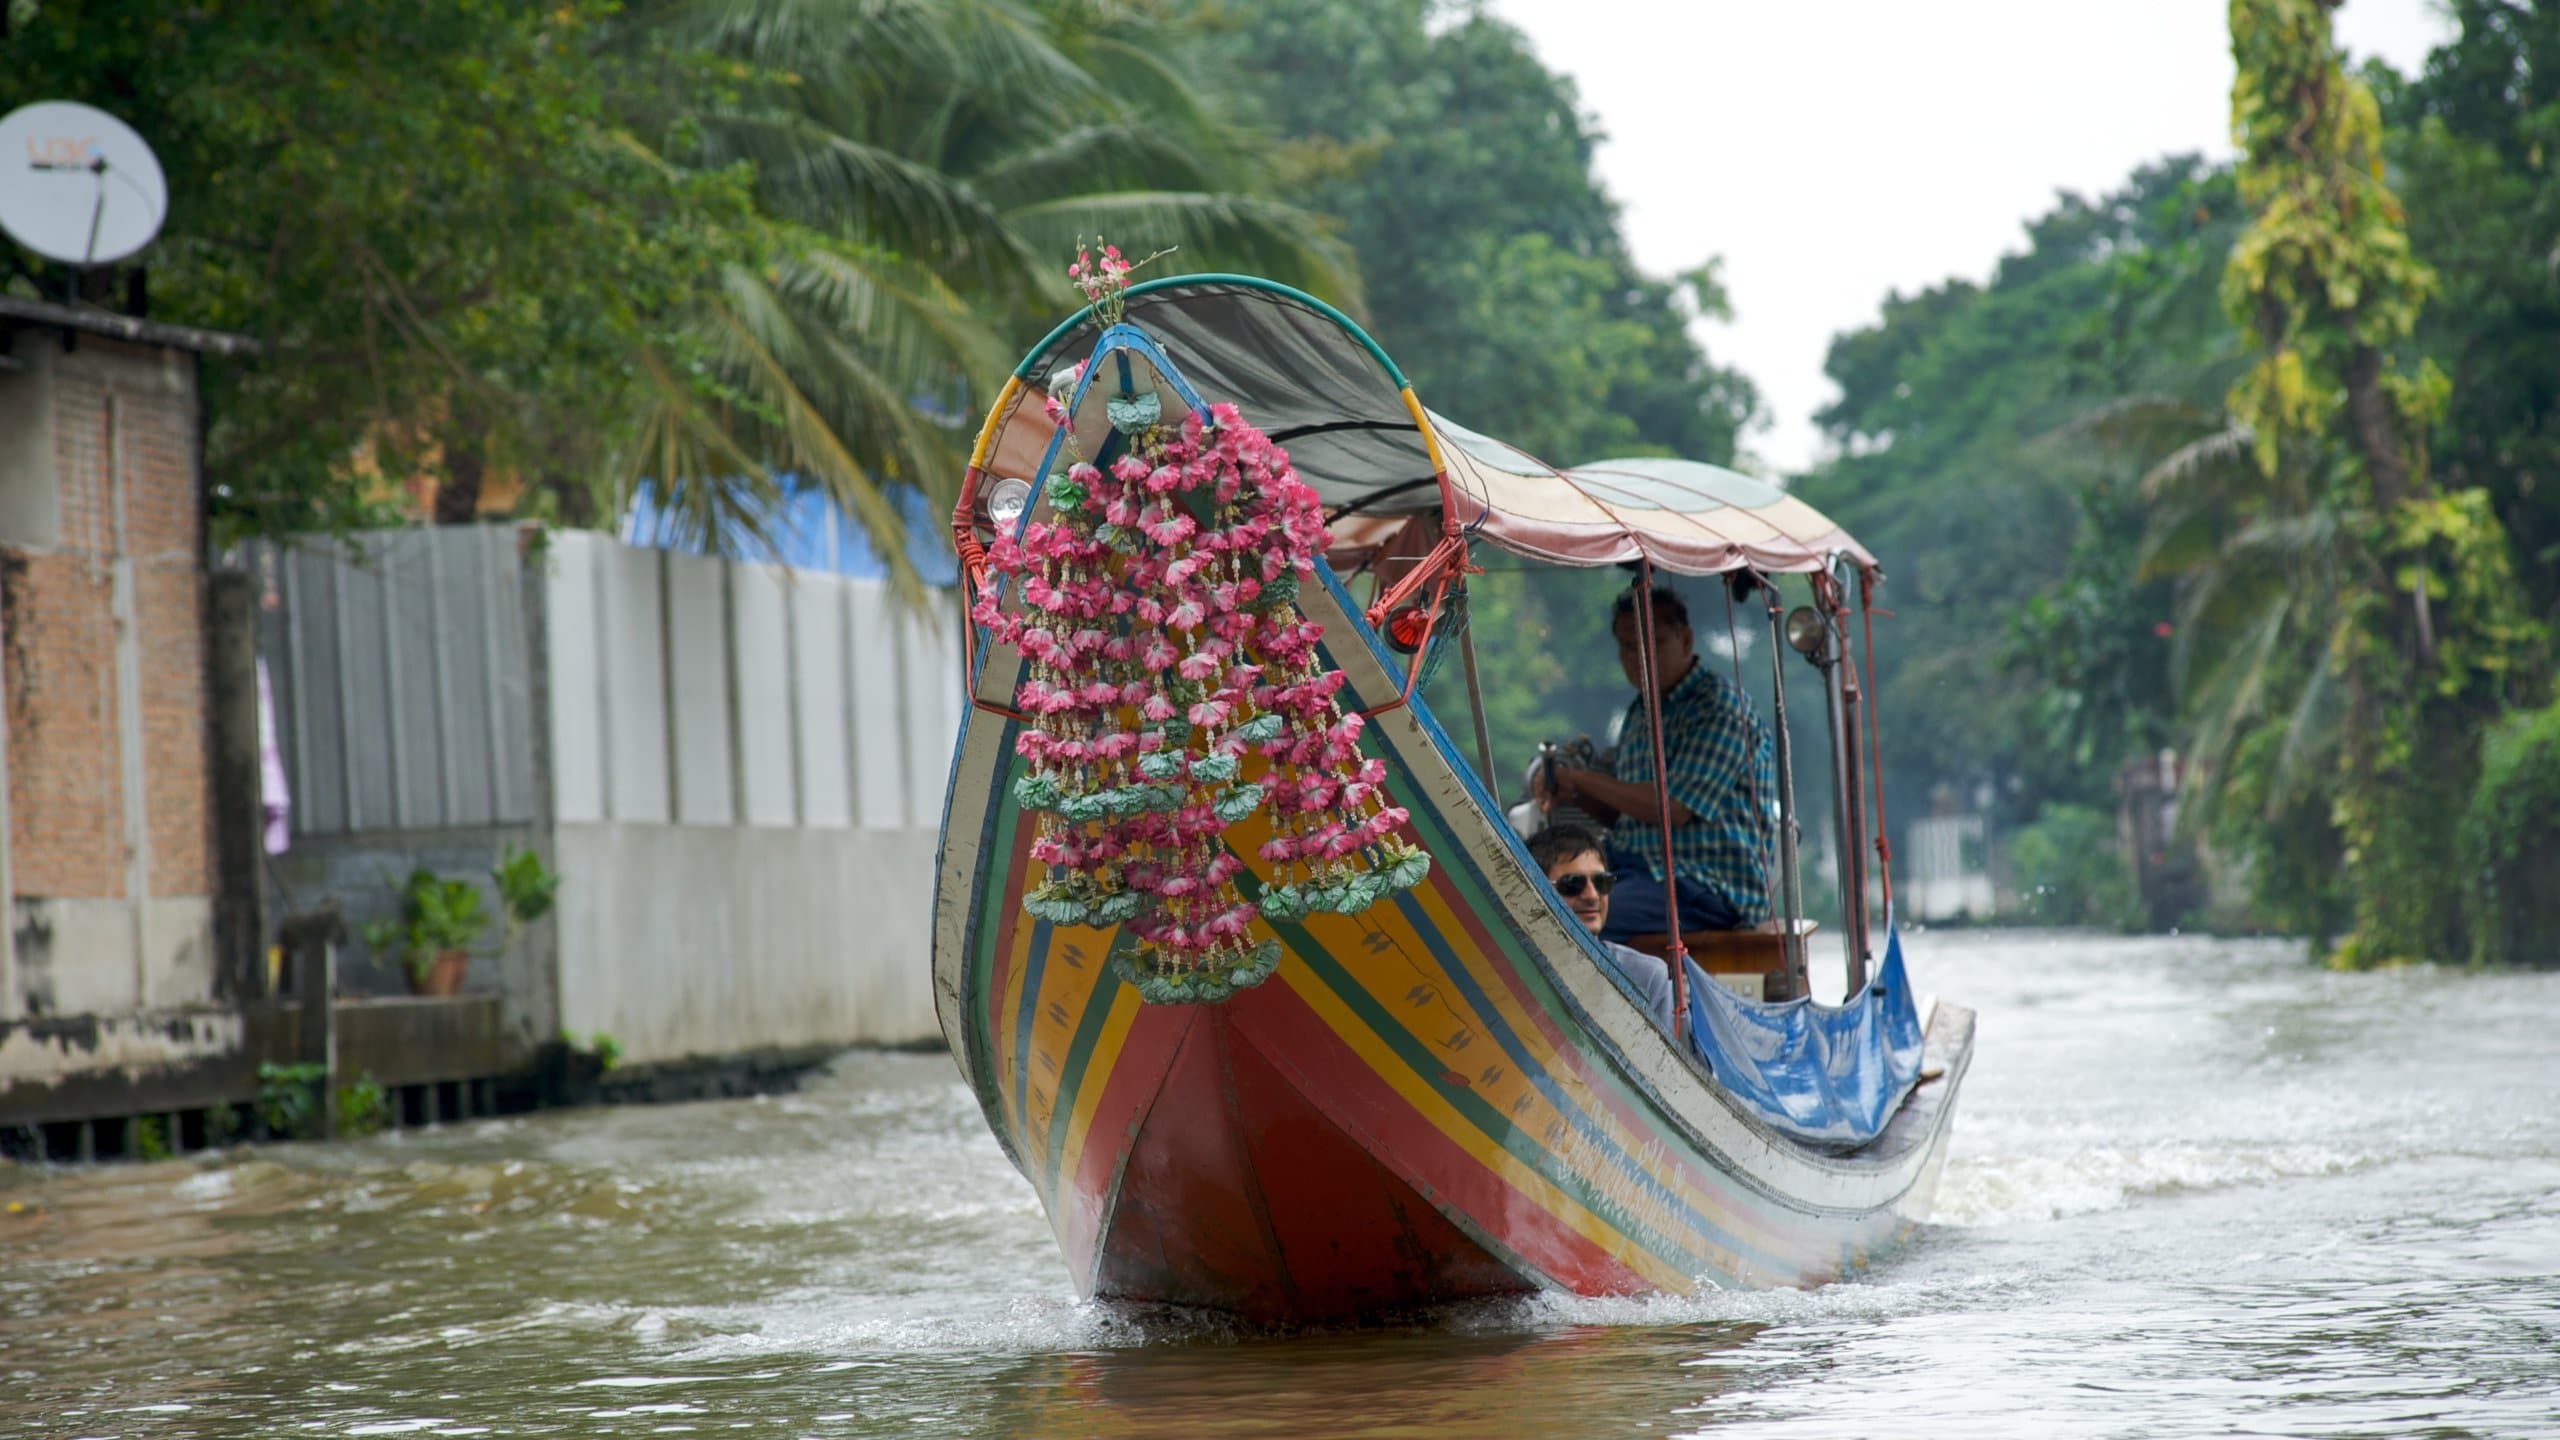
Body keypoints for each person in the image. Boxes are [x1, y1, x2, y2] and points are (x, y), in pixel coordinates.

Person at [1538, 583, 1775, 943]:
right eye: (1628, 647)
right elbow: (1626, 813)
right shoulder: (1640, 712)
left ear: (1686, 640)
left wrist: (1583, 779)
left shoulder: (1720, 707)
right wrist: (1570, 791)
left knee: (1575, 914)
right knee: (1532, 893)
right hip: (1638, 872)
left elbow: (1673, 808)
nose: (1638, 658)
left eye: (1653, 643)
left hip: (1707, 887)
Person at [1526, 823, 1675, 1028]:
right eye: (1572, 884)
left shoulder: (1647, 977)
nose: (1592, 896)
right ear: (1535, 891)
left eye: (1601, 882)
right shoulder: (1513, 970)